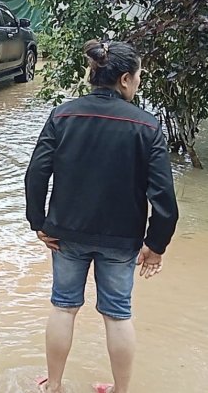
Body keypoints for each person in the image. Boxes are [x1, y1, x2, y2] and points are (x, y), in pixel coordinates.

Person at [25, 40, 179, 393]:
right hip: (122, 239)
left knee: (63, 308)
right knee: (118, 314)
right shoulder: (148, 126)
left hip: (65, 234)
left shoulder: (63, 115)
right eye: (138, 77)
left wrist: (38, 222)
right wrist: (156, 244)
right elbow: (164, 197)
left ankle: (56, 386)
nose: (138, 82)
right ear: (125, 79)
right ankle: (121, 391)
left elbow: (36, 172)